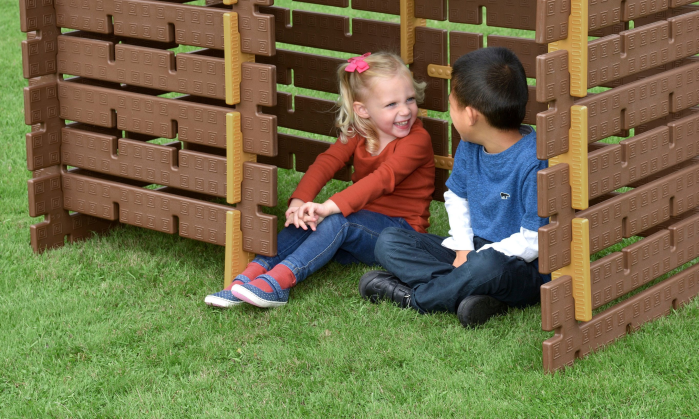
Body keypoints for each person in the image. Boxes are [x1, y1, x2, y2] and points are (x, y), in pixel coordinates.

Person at [205, 51, 434, 309]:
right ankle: (251, 274)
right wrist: (300, 202)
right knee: (310, 217)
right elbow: (327, 162)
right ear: (363, 110)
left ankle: (280, 282)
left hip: (399, 235)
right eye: (392, 104)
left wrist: (328, 207)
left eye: (410, 99)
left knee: (336, 219)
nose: (405, 110)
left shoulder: (417, 140)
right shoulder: (360, 131)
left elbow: (381, 180)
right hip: (360, 225)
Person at [359, 46, 549, 327]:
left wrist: (475, 260)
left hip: (518, 265)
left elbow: (533, 240)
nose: (449, 113)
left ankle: (416, 299)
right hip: (472, 250)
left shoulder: (534, 162)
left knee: (487, 268)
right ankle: (471, 295)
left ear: (470, 115)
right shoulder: (469, 146)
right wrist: (462, 250)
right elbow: (457, 196)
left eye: (451, 105)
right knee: (389, 241)